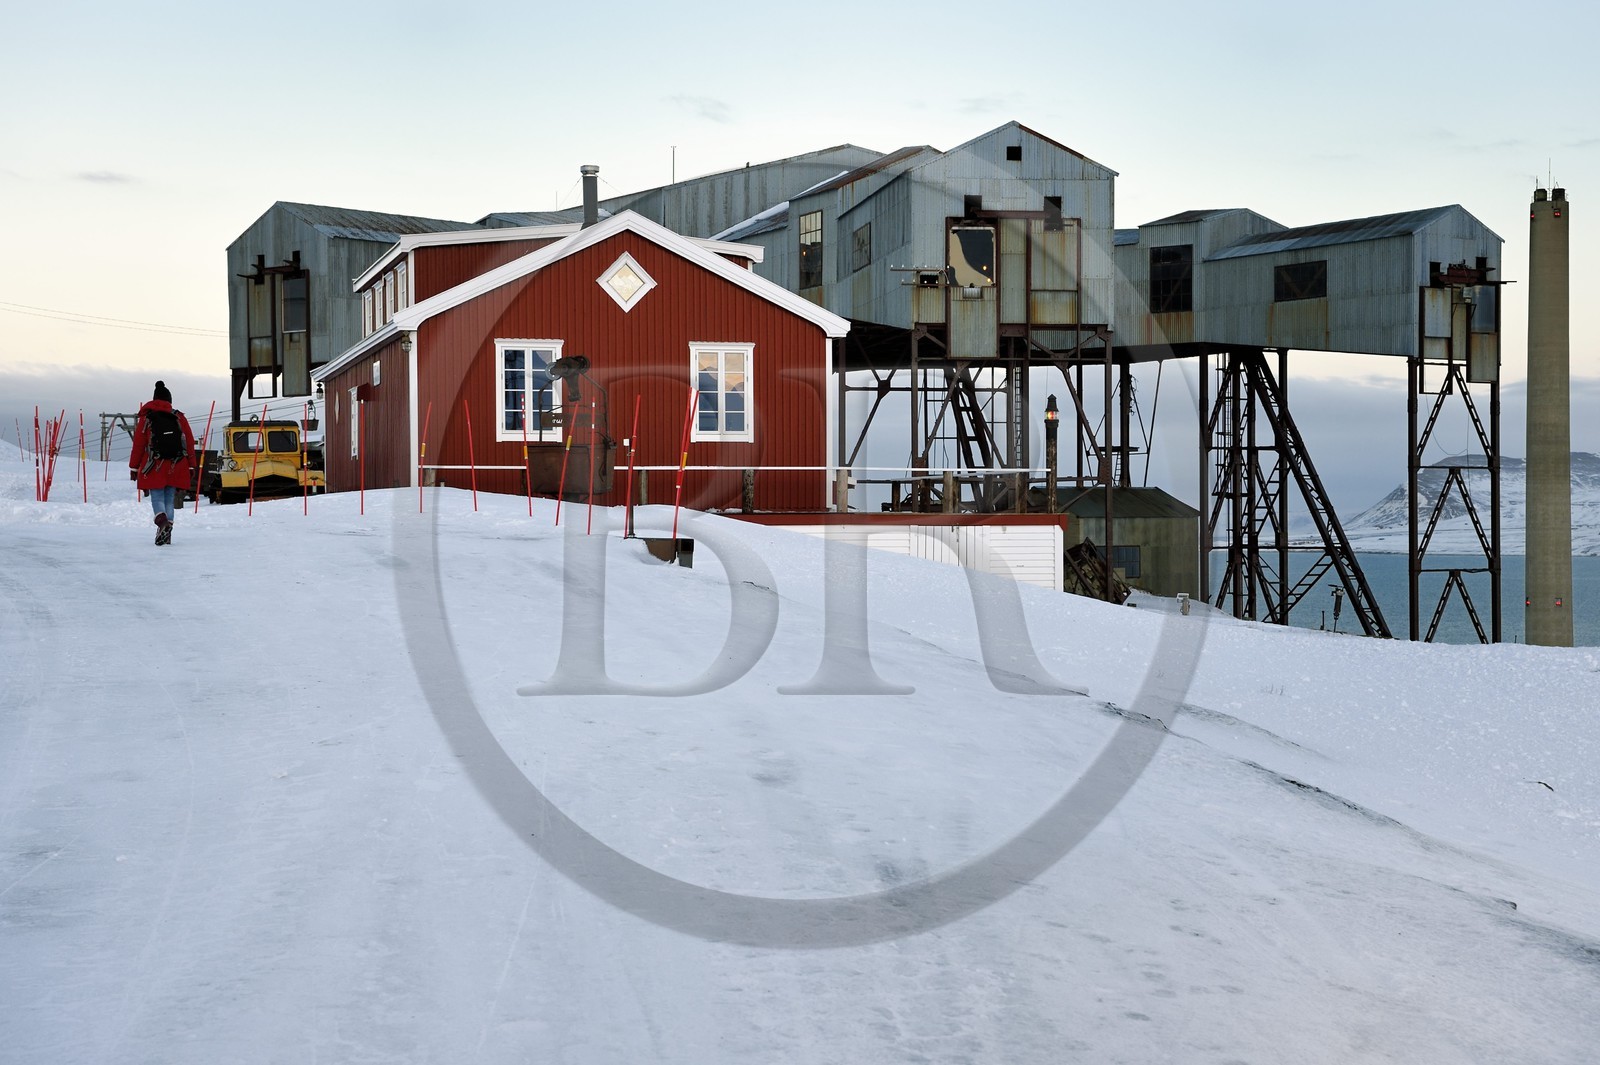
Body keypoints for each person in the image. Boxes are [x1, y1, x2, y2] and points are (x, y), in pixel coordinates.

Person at [129, 381, 197, 546]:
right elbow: (188, 442)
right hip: (177, 463)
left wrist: (134, 466)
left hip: (154, 463)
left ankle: (162, 523)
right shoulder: (179, 417)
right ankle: (167, 532)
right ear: (169, 400)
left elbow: (138, 444)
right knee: (169, 497)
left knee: (157, 496)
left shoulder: (146, 419)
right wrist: (191, 465)